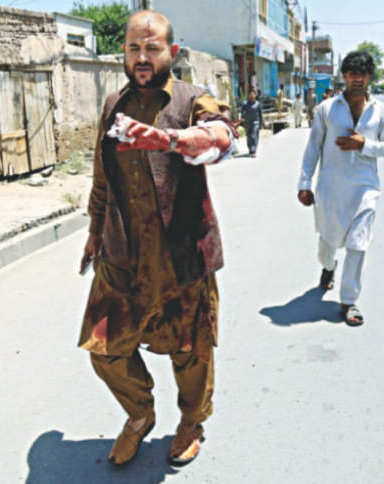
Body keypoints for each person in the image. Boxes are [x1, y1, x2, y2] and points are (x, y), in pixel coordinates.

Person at [78, 10, 237, 467]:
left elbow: (220, 135)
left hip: (180, 254)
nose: (142, 57)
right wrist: (94, 230)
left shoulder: (193, 99)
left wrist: (172, 140)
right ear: (123, 53)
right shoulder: (113, 104)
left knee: (190, 349)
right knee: (104, 348)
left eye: (152, 48)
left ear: (172, 51)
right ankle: (140, 414)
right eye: (133, 48)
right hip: (121, 251)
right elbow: (102, 176)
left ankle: (191, 421)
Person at [297, 50, 384, 326]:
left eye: (363, 74)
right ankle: (328, 267)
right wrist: (304, 183)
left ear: (369, 77)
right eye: (353, 73)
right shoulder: (327, 109)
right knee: (327, 245)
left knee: (358, 244)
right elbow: (313, 148)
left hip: (365, 189)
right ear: (344, 76)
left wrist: (364, 145)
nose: (358, 79)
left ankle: (349, 301)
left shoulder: (380, 111)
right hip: (330, 190)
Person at [239, 89, 263, 157]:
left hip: (255, 122)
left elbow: (260, 114)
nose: (252, 95)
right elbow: (242, 112)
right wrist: (241, 118)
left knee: (253, 135)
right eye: (250, 94)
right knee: (249, 137)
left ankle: (253, 150)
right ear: (248, 95)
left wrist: (261, 123)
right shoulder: (245, 103)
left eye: (253, 94)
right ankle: (250, 149)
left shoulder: (258, 104)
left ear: (255, 95)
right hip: (247, 123)